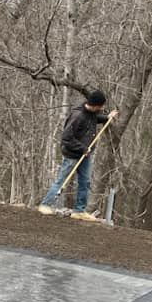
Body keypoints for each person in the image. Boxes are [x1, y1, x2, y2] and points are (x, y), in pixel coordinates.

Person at [38, 90, 118, 221]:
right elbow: (66, 138)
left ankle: (79, 210)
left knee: (85, 182)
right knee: (61, 180)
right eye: (101, 106)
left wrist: (107, 117)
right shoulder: (78, 116)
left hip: (85, 155)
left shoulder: (92, 113)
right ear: (95, 105)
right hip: (72, 154)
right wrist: (82, 148)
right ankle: (45, 204)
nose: (102, 108)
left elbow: (95, 119)